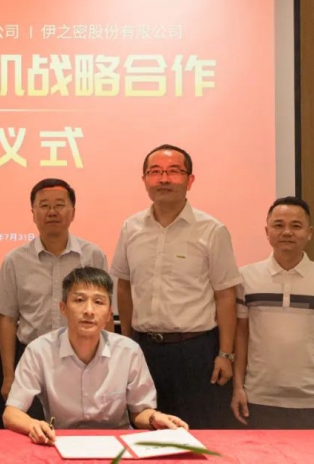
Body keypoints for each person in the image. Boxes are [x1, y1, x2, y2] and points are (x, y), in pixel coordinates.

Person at [111, 144, 241, 429]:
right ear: (144, 180)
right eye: (155, 172)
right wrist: (128, 341)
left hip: (194, 351)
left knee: (196, 433)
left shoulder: (212, 230)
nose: (164, 179)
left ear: (190, 180)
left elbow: (225, 296)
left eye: (173, 171)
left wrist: (225, 354)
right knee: (145, 431)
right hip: (144, 349)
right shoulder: (131, 228)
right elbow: (124, 286)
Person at [3, 267, 188, 444]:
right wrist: (33, 425)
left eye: (98, 302)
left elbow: (140, 412)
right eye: (79, 300)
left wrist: (155, 418)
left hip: (116, 445)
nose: (89, 311)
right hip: (62, 442)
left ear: (109, 315)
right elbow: (11, 413)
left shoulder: (128, 351)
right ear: (63, 308)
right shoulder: (39, 351)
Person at [0, 178, 109, 420]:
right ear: (33, 213)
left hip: (84, 360)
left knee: (80, 432)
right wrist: (9, 376)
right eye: (44, 205)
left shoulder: (93, 255)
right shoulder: (15, 260)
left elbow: (104, 313)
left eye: (59, 205)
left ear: (72, 212)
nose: (52, 212)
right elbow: (8, 320)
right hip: (32, 361)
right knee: (31, 431)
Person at [231, 197, 314, 429]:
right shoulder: (245, 277)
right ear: (267, 232)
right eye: (278, 225)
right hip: (258, 397)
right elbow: (241, 336)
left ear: (309, 232)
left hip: (313, 399)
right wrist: (238, 387)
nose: (287, 232)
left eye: (296, 226)